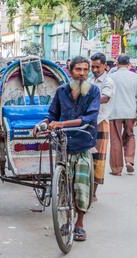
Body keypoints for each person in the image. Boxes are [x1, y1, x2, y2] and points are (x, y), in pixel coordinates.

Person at [33, 56, 100, 241]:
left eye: (86, 70)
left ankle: (79, 224)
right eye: (78, 69)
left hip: (83, 143)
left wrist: (62, 124)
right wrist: (42, 125)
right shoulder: (61, 91)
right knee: (64, 185)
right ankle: (65, 219)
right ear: (70, 71)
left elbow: (90, 118)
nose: (82, 74)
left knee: (81, 186)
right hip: (63, 145)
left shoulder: (93, 91)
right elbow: (52, 115)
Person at [90, 53, 115, 201]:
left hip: (101, 122)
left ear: (105, 66)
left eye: (97, 66)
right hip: (88, 122)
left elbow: (105, 98)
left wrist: (88, 100)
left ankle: (93, 192)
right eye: (92, 66)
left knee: (98, 159)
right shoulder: (90, 80)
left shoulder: (108, 81)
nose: (94, 69)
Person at [107, 54, 137, 176]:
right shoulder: (135, 77)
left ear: (117, 63)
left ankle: (116, 168)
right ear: (129, 63)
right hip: (130, 111)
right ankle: (129, 161)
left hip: (115, 112)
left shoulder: (111, 77)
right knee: (130, 135)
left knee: (116, 139)